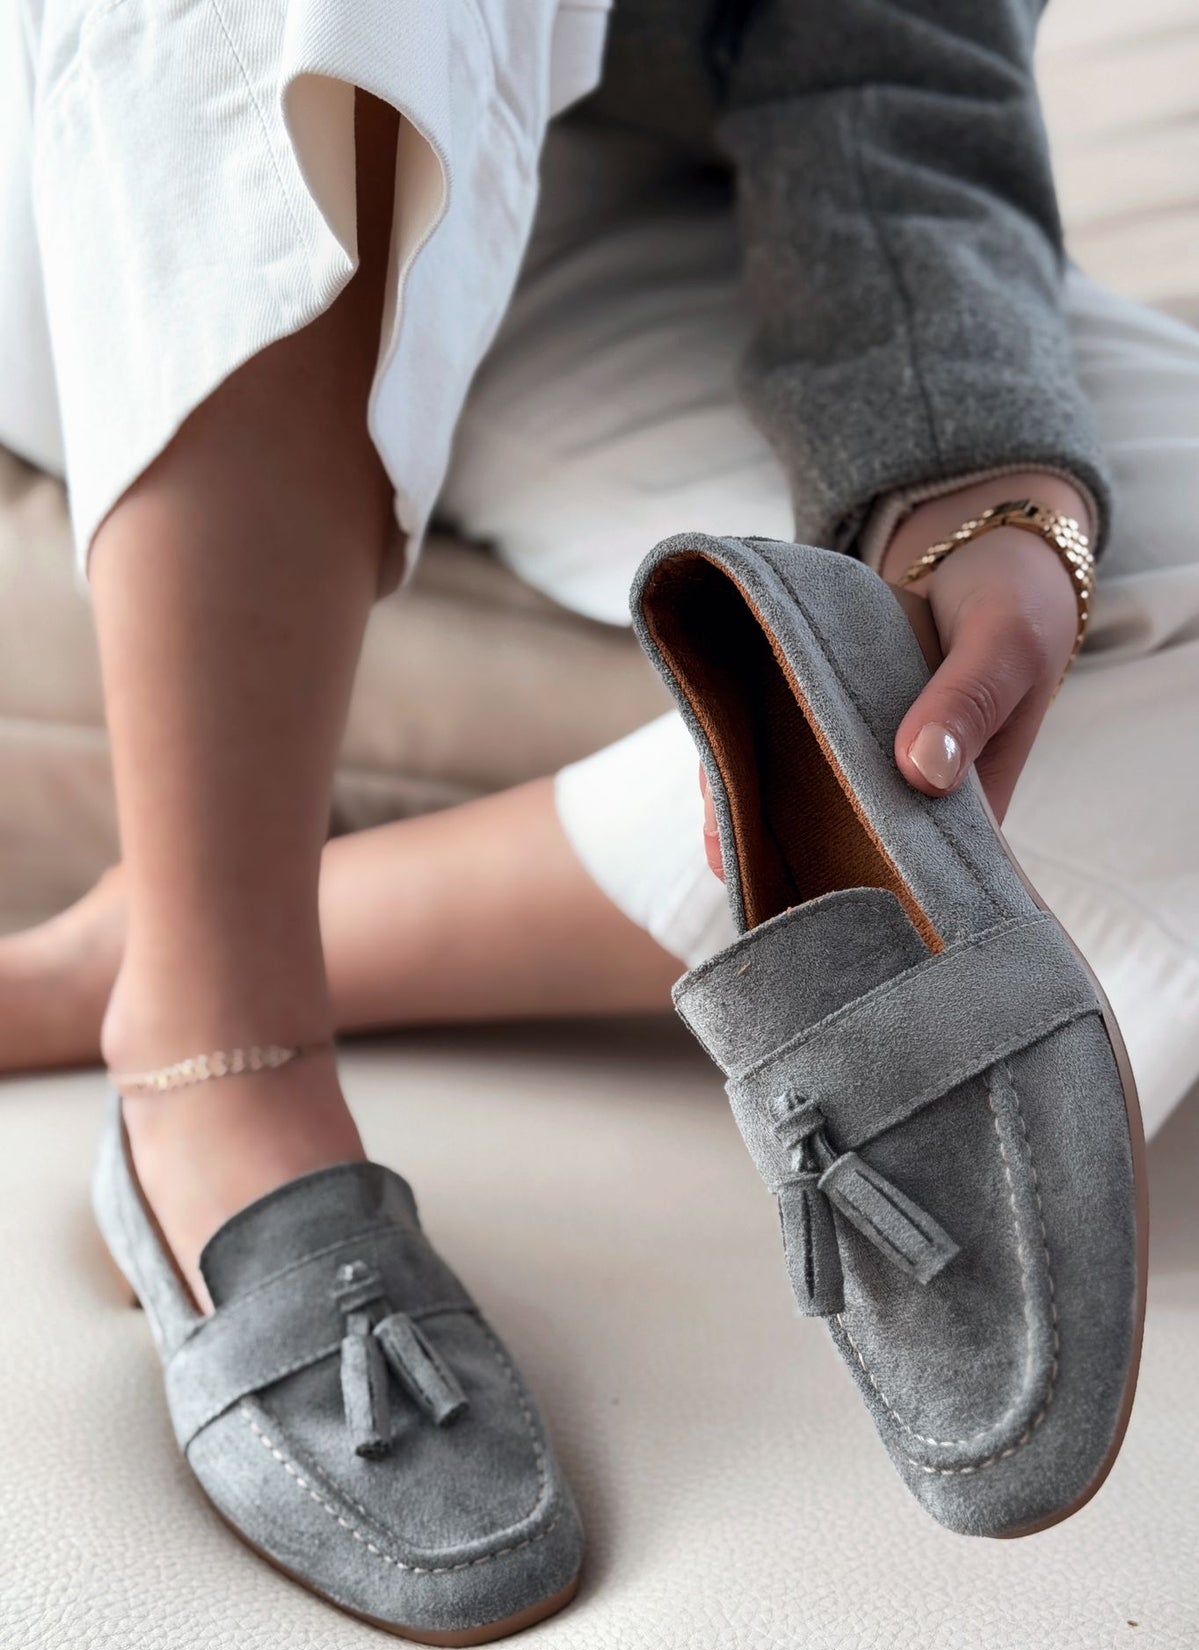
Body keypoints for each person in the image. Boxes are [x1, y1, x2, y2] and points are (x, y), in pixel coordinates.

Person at [2, 0, 1198, 1299]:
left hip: (672, 194)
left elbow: (903, 39)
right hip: (165, 158)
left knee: (1060, 622)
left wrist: (976, 473)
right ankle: (221, 1022)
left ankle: (188, 930)